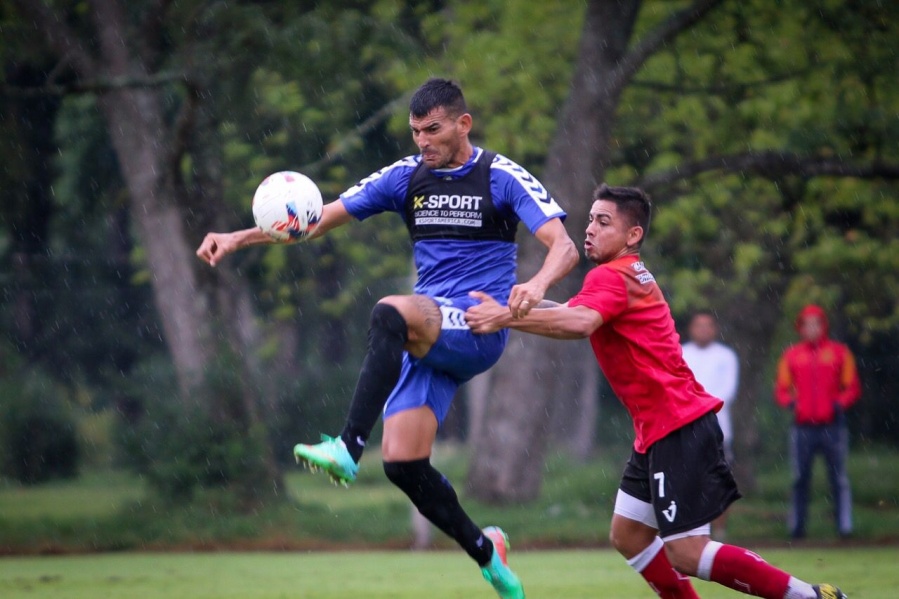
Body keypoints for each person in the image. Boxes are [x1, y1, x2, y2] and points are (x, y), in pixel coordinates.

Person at [197, 77, 578, 599]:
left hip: (476, 324)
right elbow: (315, 220)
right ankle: (488, 554)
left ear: (463, 124)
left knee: (388, 310)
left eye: (434, 129)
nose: (423, 141)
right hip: (428, 335)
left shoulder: (501, 176)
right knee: (402, 463)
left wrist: (535, 285)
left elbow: (564, 245)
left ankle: (348, 447)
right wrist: (238, 236)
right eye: (416, 130)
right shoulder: (406, 176)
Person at [465, 183, 847, 599]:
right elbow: (574, 313)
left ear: (634, 235)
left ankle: (809, 596)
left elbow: (579, 325)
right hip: (660, 429)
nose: (590, 229)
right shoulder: (621, 275)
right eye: (590, 219)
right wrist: (512, 306)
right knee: (628, 534)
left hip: (677, 425)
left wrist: (503, 318)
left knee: (686, 552)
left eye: (604, 221)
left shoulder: (611, 276)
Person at [774, 305, 861, 540]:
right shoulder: (791, 355)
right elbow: (782, 390)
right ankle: (797, 528)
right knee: (799, 478)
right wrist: (794, 404)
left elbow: (851, 387)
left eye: (816, 323)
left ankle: (844, 527)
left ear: (824, 326)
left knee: (839, 478)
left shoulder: (839, 353)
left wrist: (838, 405)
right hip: (802, 427)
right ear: (800, 327)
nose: (811, 328)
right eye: (807, 324)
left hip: (832, 426)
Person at [681, 310, 739, 540]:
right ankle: (690, 532)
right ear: (691, 329)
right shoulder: (681, 353)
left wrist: (701, 408)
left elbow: (727, 391)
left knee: (717, 483)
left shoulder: (726, 356)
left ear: (714, 329)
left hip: (718, 430)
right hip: (686, 429)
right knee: (687, 482)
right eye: (699, 325)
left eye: (708, 325)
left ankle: (719, 532)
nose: (703, 330)